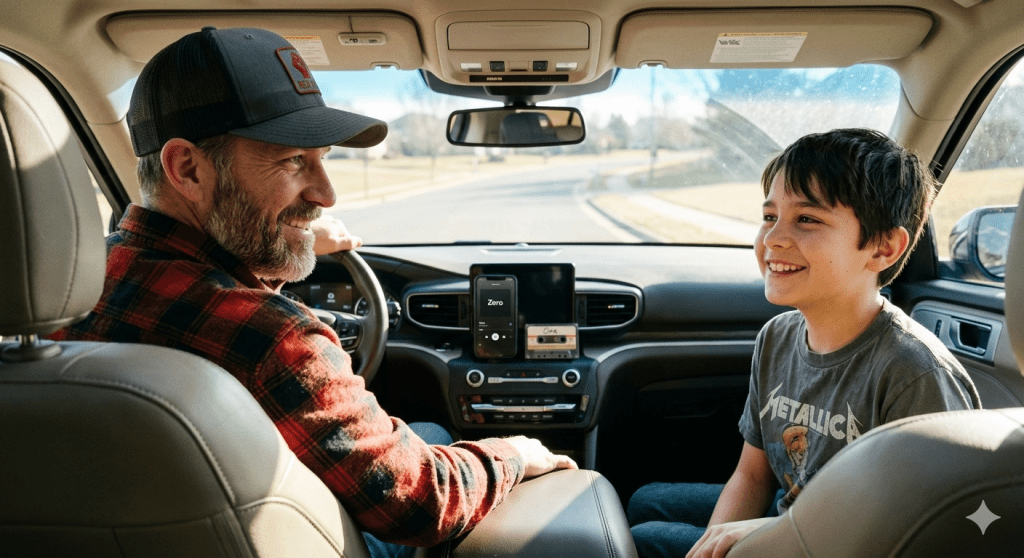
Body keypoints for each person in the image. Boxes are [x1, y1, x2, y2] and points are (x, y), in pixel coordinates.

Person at [50, 26, 575, 558]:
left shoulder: (68, 289)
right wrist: (513, 453)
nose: (326, 193)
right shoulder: (276, 338)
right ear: (187, 168)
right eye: (294, 161)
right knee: (442, 441)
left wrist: (280, 248)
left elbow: (207, 301)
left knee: (428, 434)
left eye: (323, 158)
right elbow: (423, 502)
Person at [627, 129, 982, 558]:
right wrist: (714, 548)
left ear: (883, 247)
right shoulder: (776, 337)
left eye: (807, 219)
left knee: (643, 540)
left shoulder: (914, 373)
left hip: (852, 542)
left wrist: (778, 535)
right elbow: (753, 476)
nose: (772, 238)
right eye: (769, 216)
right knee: (645, 501)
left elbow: (926, 529)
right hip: (795, 513)